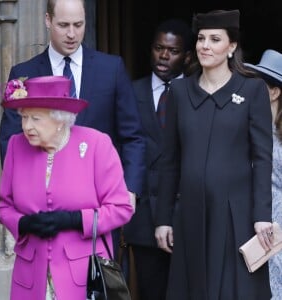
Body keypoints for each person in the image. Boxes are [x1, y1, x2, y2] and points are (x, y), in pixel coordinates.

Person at [155, 9, 273, 299]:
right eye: (201, 39)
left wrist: (261, 215)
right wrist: (163, 218)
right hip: (190, 214)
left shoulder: (253, 89)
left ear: (232, 46)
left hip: (238, 216)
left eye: (215, 39)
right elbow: (170, 161)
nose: (205, 46)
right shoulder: (180, 91)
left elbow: (262, 159)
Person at [0, 75, 134, 300]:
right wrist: (23, 223)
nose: (27, 126)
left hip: (83, 277)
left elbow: (121, 208)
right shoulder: (15, 146)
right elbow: (3, 206)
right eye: (24, 117)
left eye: (36, 119)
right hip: (31, 277)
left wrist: (76, 220)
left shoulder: (97, 145)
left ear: (60, 120)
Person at [0, 0, 145, 215]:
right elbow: (10, 141)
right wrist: (24, 194)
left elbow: (133, 137)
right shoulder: (24, 73)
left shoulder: (111, 69)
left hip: (100, 202)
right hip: (42, 205)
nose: (72, 34)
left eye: (78, 25)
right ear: (48, 21)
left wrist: (129, 189)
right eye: (64, 25)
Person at [123, 19, 194, 300]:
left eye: (173, 51)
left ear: (187, 56)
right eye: (158, 48)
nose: (163, 56)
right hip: (143, 218)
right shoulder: (129, 91)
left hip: (188, 214)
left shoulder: (197, 93)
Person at [244, 49, 282, 300]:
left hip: (278, 222)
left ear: (274, 91)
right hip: (250, 217)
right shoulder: (248, 126)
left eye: (258, 84)